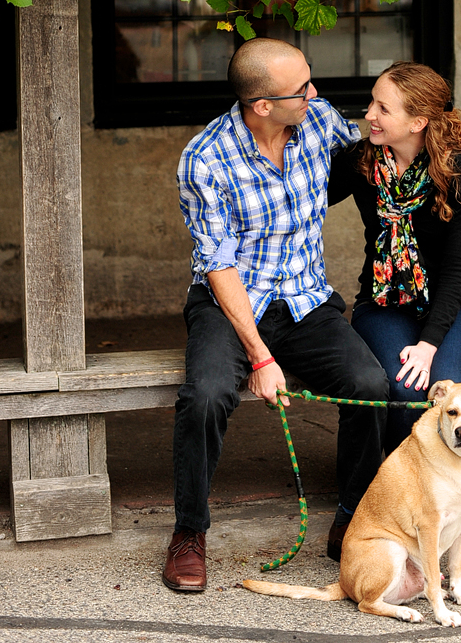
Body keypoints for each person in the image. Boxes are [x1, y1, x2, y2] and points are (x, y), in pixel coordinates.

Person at [165, 37, 389, 592]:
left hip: (306, 298)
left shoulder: (317, 121)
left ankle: (352, 518)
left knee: (370, 386)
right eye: (302, 88)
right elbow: (217, 266)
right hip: (231, 302)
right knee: (207, 395)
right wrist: (260, 356)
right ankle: (189, 531)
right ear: (261, 104)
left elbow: (375, 155)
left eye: (311, 81)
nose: (314, 94)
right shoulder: (205, 159)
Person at [327, 61, 461, 588]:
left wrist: (430, 344)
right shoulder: (363, 163)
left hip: (451, 308)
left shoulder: (458, 172)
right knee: (402, 397)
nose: (369, 115)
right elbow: (303, 192)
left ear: (419, 120)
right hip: (384, 302)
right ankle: (377, 511)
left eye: (383, 108)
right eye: (372, 104)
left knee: (438, 398)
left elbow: (456, 273)